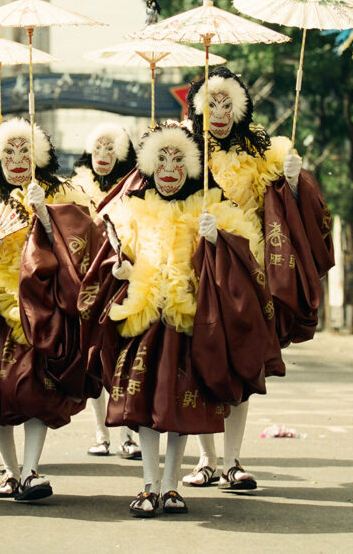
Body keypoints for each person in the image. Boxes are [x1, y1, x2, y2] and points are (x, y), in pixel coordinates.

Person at [80, 122, 275, 516]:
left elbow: (243, 263)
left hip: (188, 322)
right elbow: (115, 254)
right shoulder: (129, 209)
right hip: (142, 319)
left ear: (192, 166)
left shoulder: (213, 209)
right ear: (149, 166)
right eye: (162, 159)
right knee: (145, 406)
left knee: (178, 407)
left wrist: (219, 239)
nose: (169, 169)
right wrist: (121, 269)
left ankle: (171, 486)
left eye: (179, 160)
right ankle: (149, 484)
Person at [181, 66, 334, 491]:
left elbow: (286, 209)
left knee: (243, 367)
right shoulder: (185, 151)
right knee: (197, 368)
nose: (220, 111)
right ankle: (205, 460)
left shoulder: (259, 152)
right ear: (198, 106)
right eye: (212, 102)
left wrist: (292, 180)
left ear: (241, 107)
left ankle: (233, 461)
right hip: (194, 270)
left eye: (228, 103)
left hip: (248, 272)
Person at [0, 117, 98, 502]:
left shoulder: (61, 194)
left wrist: (47, 215)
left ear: (39, 155)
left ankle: (30, 470)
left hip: (40, 306)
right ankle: (11, 471)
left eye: (24, 150)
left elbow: (80, 246)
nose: (16, 158)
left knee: (34, 389)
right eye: (8, 151)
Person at [69, 123, 142, 460]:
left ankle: (128, 432)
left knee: (123, 356)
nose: (103, 155)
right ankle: (101, 432)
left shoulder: (133, 188)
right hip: (87, 283)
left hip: (124, 281)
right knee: (95, 356)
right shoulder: (75, 189)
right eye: (98, 147)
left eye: (110, 148)